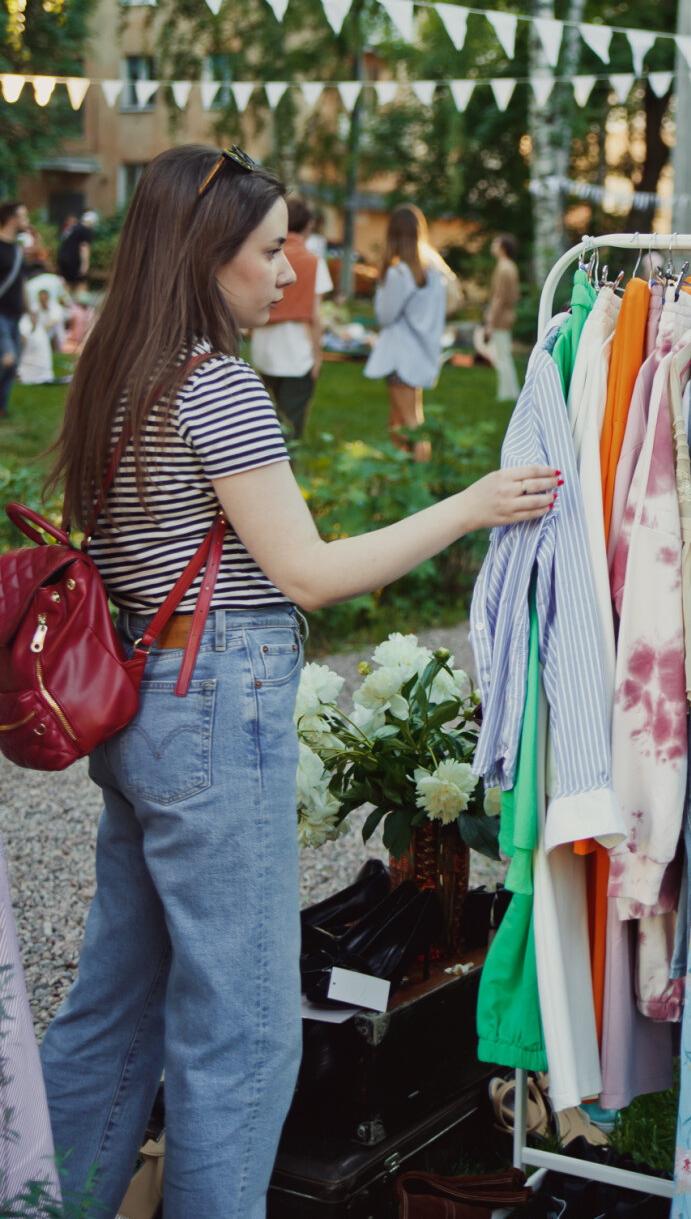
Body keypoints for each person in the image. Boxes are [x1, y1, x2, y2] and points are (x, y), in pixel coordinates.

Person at [38, 145, 557, 1219]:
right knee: (245, 1023)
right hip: (214, 701)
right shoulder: (214, 382)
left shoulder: (116, 369)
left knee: (117, 1003)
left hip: (141, 699)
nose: (291, 271)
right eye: (271, 250)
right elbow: (310, 573)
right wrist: (472, 505)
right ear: (204, 252)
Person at [364, 203, 453, 462]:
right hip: (421, 353)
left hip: (399, 357)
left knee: (412, 423)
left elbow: (385, 315)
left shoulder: (399, 272)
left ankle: (420, 482)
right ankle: (400, 477)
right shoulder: (434, 271)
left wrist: (380, 288)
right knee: (400, 420)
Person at [249, 197, 332, 441]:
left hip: (263, 349)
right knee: (289, 429)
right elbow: (316, 316)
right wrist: (318, 356)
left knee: (262, 424)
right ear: (308, 226)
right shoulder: (313, 262)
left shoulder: (267, 256)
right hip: (296, 353)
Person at [484, 233, 521, 402]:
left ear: (502, 248)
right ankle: (511, 391)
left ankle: (507, 394)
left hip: (501, 317)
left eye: (495, 244)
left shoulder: (503, 268)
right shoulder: (511, 266)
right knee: (504, 354)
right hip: (508, 314)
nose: (492, 247)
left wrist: (490, 318)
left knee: (502, 356)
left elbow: (499, 296)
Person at [0, 201, 29, 417]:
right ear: (12, 219)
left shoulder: (17, 250)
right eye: (24, 217)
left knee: (14, 362)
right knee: (7, 358)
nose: (26, 221)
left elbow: (21, 282)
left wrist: (31, 309)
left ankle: (2, 407)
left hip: (14, 314)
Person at [57, 208, 98, 292]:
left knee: (67, 284)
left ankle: (67, 303)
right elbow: (84, 247)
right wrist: (85, 265)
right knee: (81, 283)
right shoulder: (85, 230)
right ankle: (81, 304)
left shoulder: (73, 228)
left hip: (63, 260)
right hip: (74, 260)